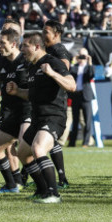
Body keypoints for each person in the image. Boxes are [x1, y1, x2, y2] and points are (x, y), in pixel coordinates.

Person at [7, 32, 76, 203]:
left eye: (25, 45)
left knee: (38, 149)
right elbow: (33, 94)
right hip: (38, 118)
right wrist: (17, 91)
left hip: (54, 117)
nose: (22, 49)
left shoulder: (53, 63)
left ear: (37, 47)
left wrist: (52, 73)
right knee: (23, 154)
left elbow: (72, 85)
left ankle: (54, 194)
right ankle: (42, 189)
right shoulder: (32, 66)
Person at [0, 28, 30, 193]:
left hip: (27, 111)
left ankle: (47, 186)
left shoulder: (26, 60)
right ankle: (12, 185)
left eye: (2, 43)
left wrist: (19, 91)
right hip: (9, 111)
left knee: (27, 150)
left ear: (14, 44)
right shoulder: (1, 59)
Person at [42, 20, 72, 188]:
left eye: (46, 31)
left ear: (56, 34)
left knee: (37, 141)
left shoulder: (58, 50)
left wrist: (50, 76)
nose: (43, 34)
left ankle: (25, 177)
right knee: (47, 141)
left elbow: (64, 70)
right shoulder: (49, 50)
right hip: (45, 100)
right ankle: (62, 178)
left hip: (54, 102)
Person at [68, 48, 95, 147]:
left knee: (87, 120)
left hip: (86, 96)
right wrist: (73, 61)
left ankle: (86, 142)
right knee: (75, 121)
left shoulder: (89, 67)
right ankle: (72, 142)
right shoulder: (75, 66)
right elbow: (69, 73)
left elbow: (91, 75)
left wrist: (90, 62)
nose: (82, 57)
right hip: (76, 96)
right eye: (80, 55)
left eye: (84, 55)